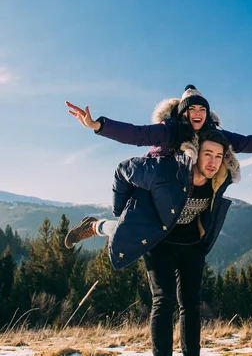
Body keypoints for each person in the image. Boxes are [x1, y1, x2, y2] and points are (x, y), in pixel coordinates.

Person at [66, 129, 240, 356]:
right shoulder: (167, 170)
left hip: (191, 245)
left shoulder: (220, 178)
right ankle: (95, 225)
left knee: (191, 304)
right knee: (163, 300)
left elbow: (248, 142)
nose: (213, 161)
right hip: (158, 239)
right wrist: (121, 210)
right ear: (195, 154)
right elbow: (122, 170)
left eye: (219, 156)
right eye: (208, 154)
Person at [65, 84, 252, 157]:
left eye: (201, 109)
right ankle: (100, 226)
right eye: (191, 109)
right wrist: (98, 126)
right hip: (156, 180)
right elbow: (136, 134)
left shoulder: (214, 134)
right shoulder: (168, 130)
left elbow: (247, 143)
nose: (197, 113)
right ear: (183, 113)